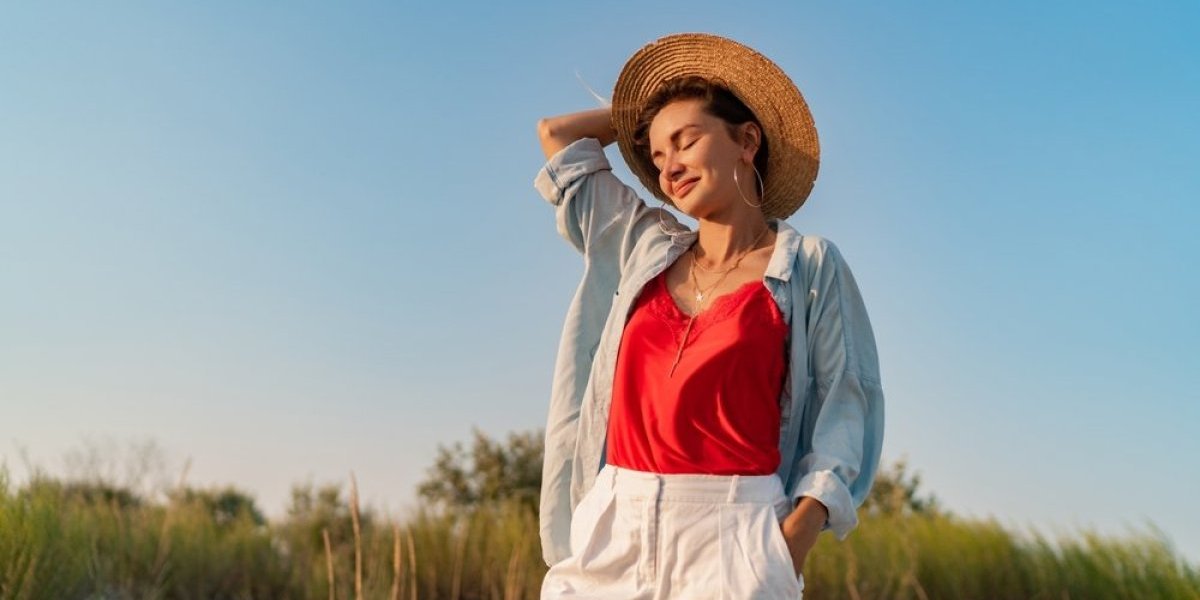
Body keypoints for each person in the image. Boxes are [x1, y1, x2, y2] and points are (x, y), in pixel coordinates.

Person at [533, 33, 885, 599]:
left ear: (748, 140)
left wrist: (792, 542)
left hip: (733, 539)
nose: (669, 166)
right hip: (614, 527)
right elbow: (558, 136)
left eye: (686, 140)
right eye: (655, 155)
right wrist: (646, 115)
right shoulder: (642, 244)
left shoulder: (809, 267)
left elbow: (849, 406)